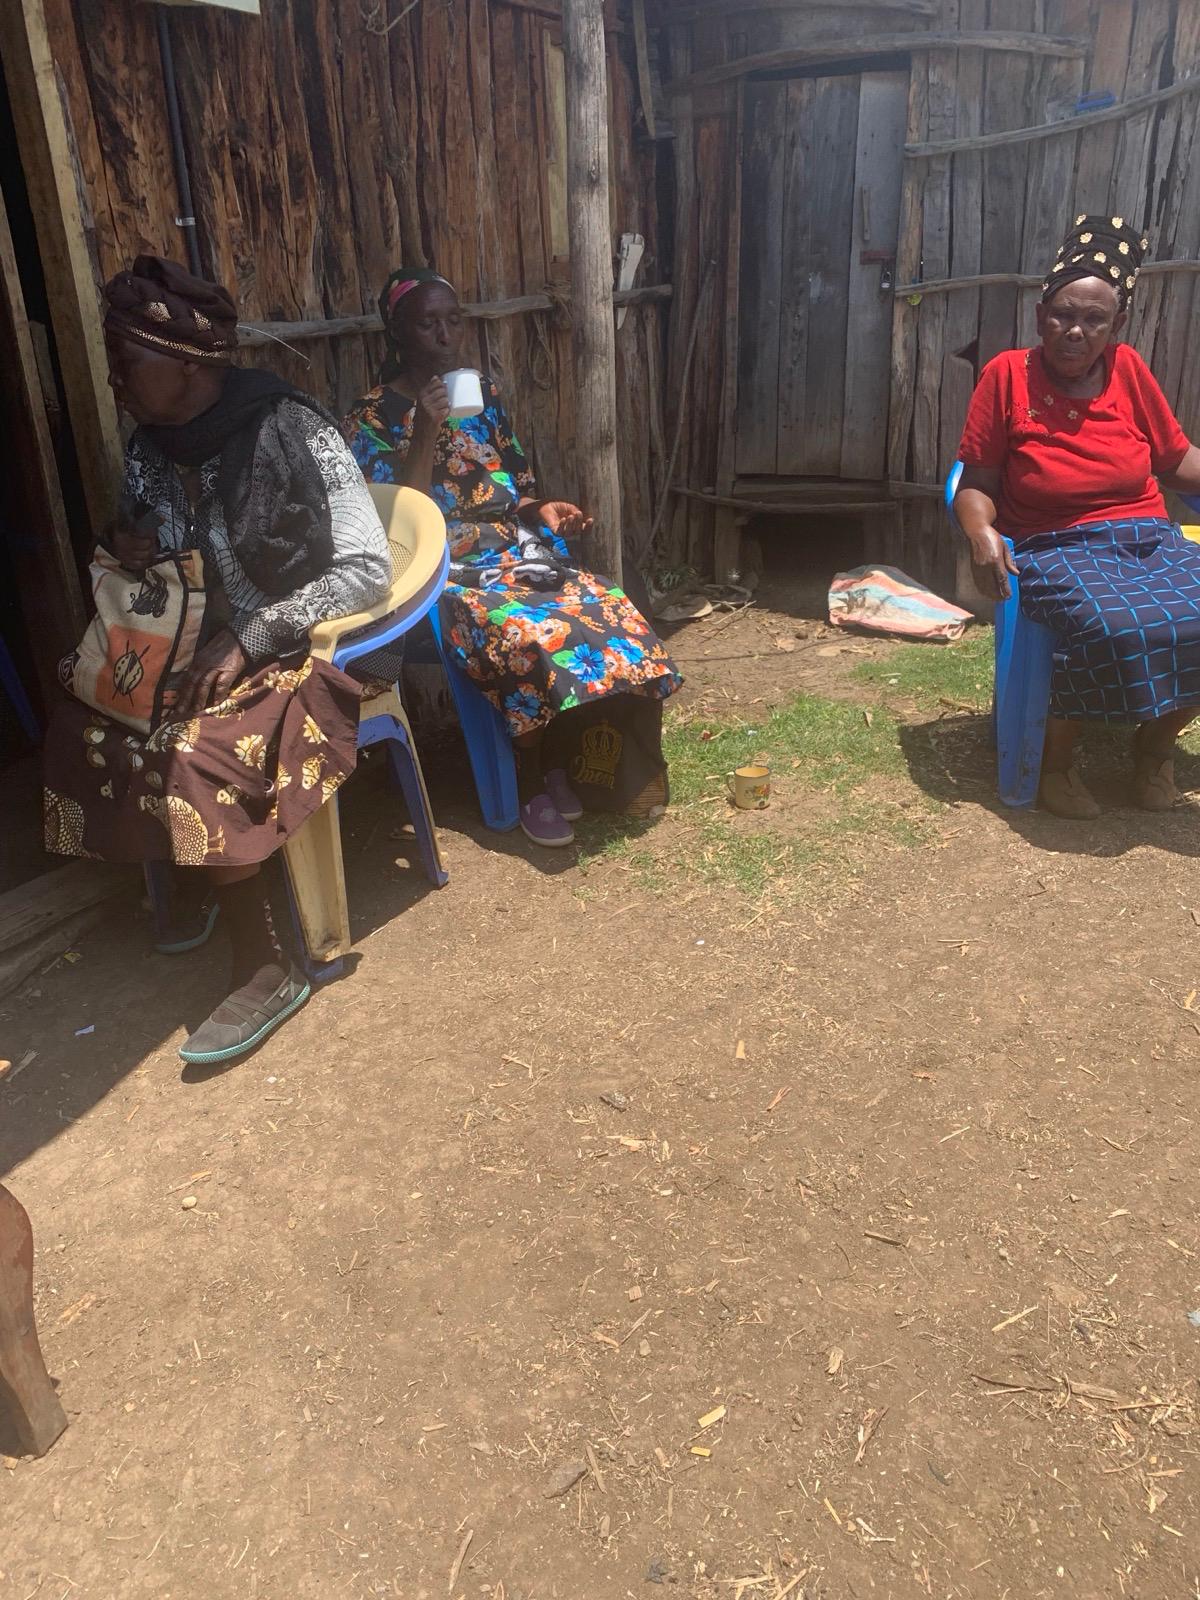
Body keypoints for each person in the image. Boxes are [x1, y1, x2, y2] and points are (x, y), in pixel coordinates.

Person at [43, 256, 391, 1064]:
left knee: (194, 745)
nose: (116, 380)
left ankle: (265, 959)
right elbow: (159, 562)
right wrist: (125, 547)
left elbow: (367, 566)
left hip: (302, 643)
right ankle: (189, 866)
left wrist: (253, 637)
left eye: (128, 363)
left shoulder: (294, 427)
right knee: (86, 711)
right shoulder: (151, 448)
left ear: (190, 363)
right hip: (201, 644)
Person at [342, 267, 681, 846]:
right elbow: (398, 522)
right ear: (397, 332)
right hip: (439, 570)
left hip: (514, 553)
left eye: (454, 320)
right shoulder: (368, 419)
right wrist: (426, 428)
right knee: (525, 632)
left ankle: (590, 760)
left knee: (607, 603)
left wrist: (541, 510)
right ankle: (530, 778)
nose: (447, 336)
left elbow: (514, 487)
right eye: (429, 324)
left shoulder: (485, 395)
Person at [955, 215, 1200, 819]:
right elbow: (976, 483)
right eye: (1063, 315)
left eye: (1094, 320)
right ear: (1041, 316)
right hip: (1053, 544)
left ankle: (1155, 750)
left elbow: (1175, 459)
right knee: (1109, 624)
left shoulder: (1129, 371)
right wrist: (980, 532)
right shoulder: (1006, 375)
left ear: (1116, 326)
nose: (1075, 331)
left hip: (1147, 537)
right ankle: (1056, 765)